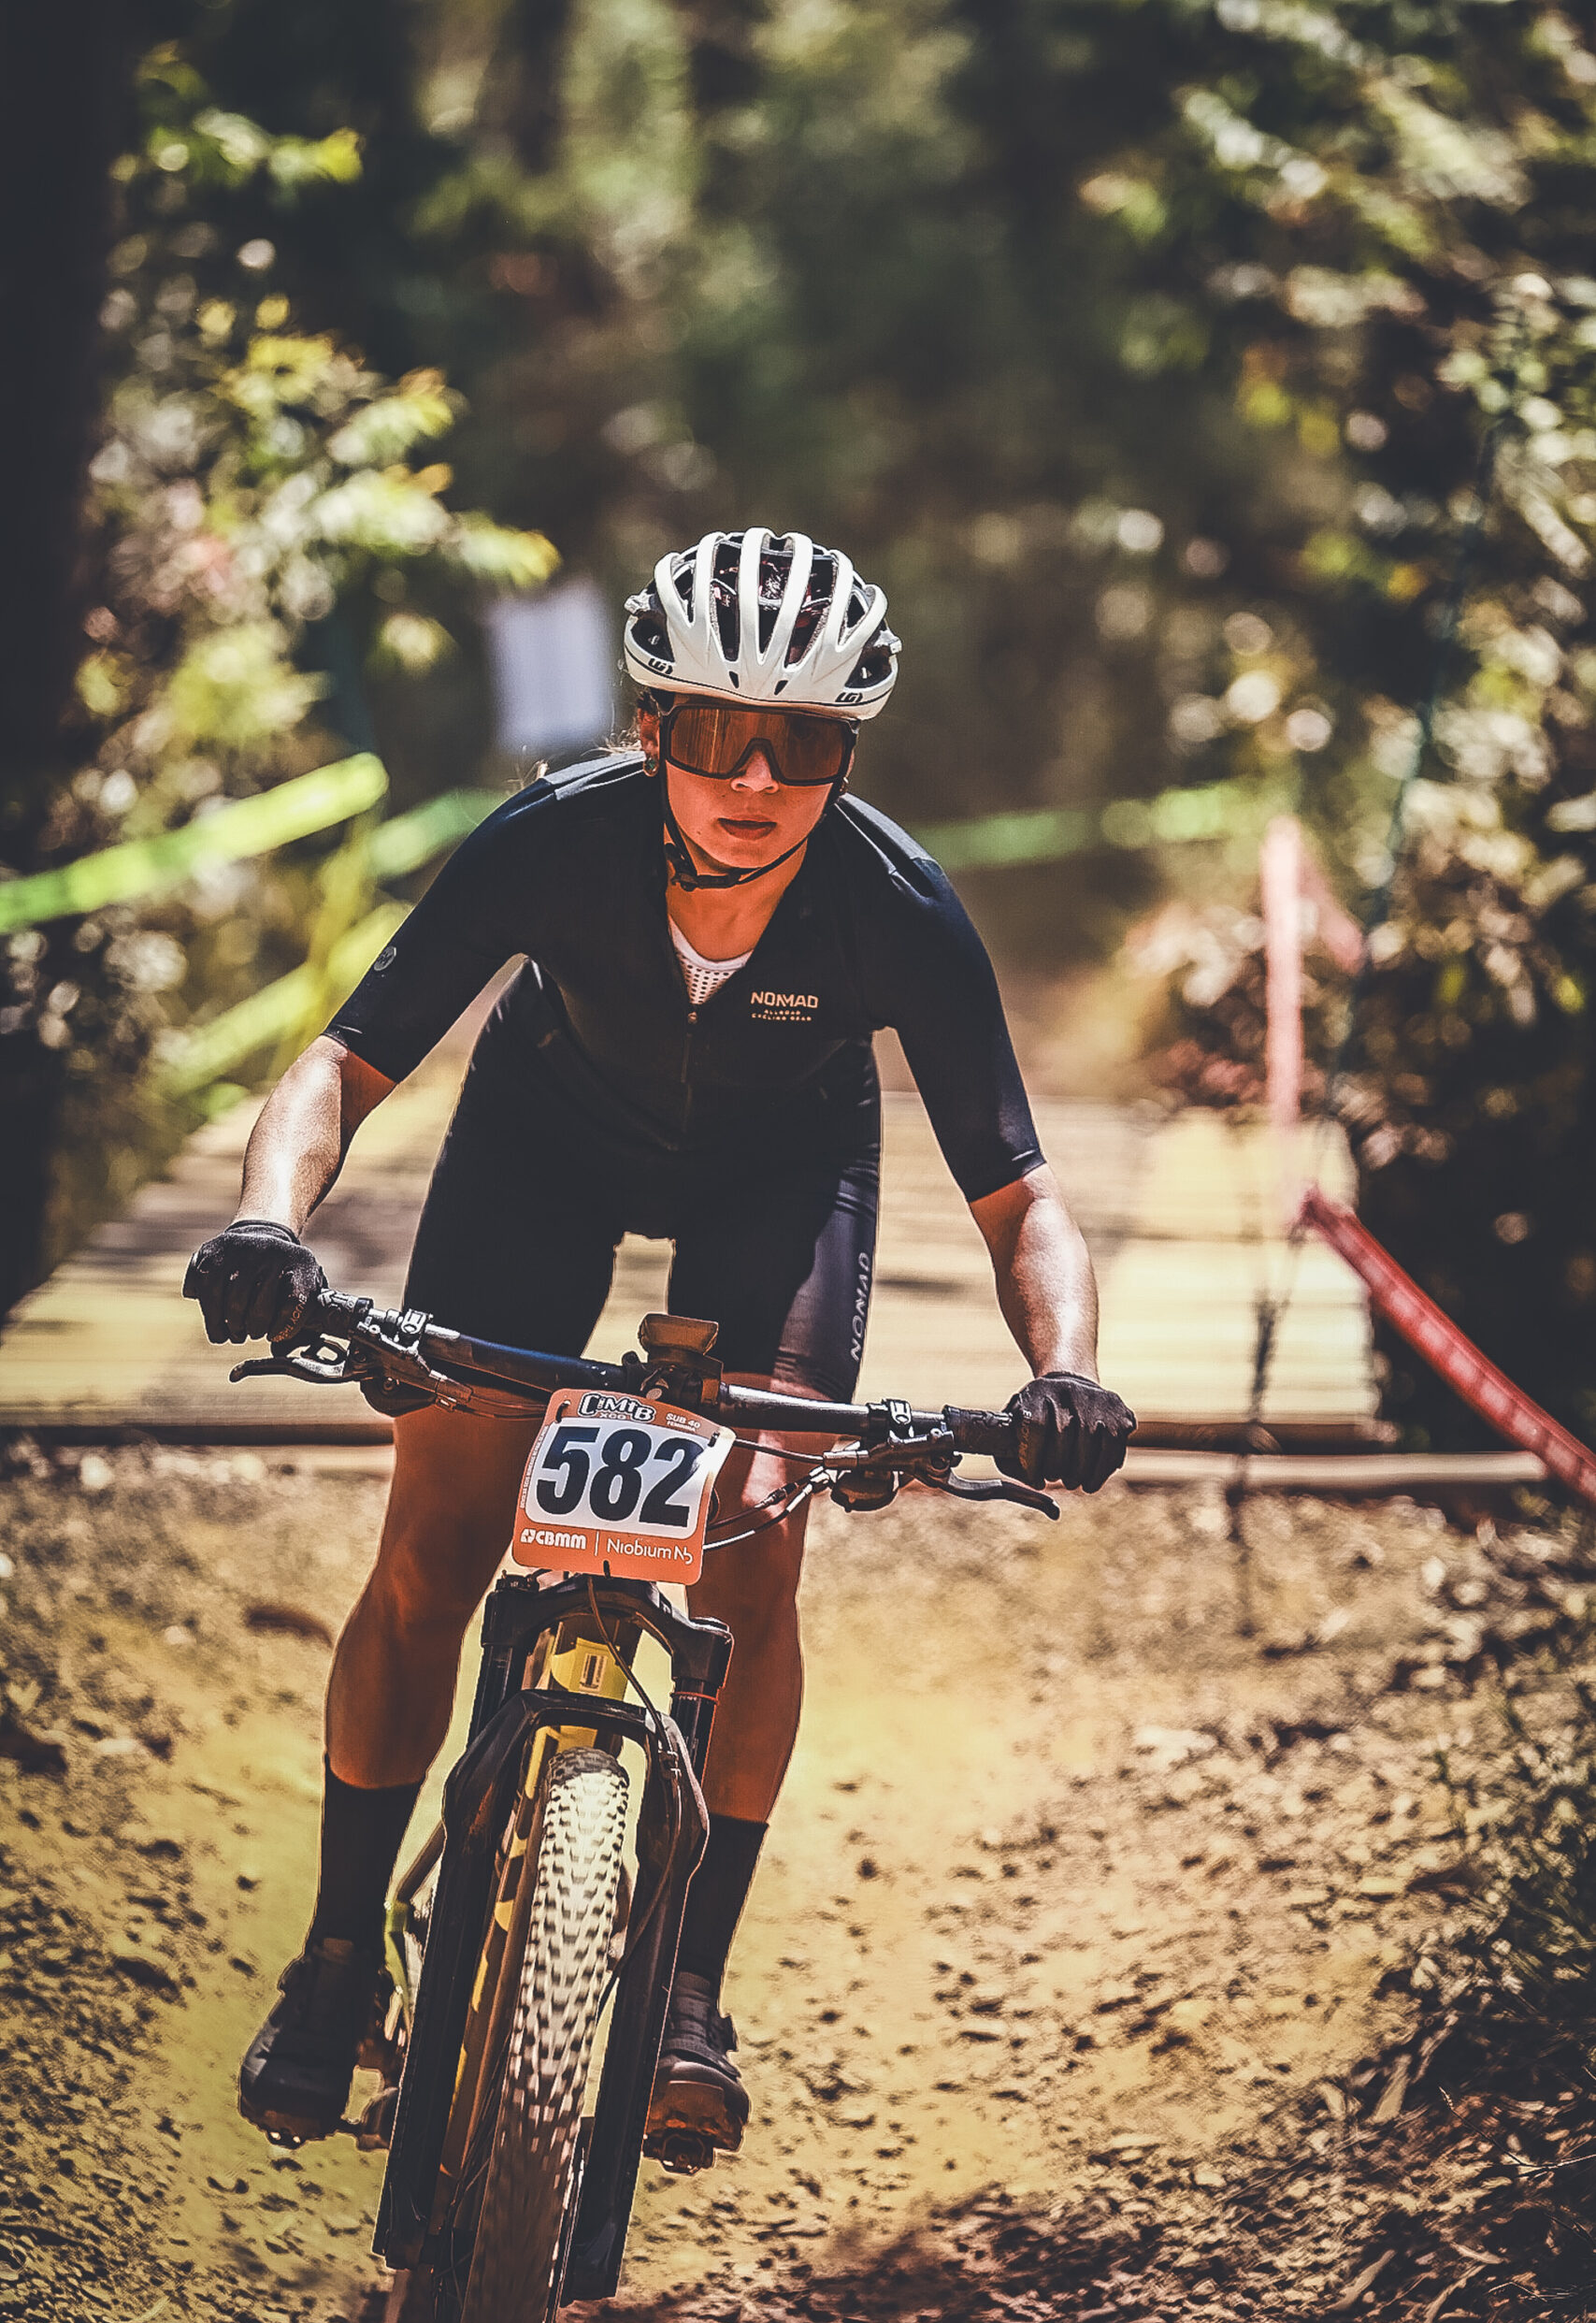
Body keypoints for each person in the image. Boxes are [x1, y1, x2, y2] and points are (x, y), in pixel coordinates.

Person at [184, 527, 1136, 2153]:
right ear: (650, 728)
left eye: (802, 743)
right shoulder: (555, 839)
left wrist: (1067, 1373)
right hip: (541, 1148)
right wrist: (271, 1224)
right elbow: (343, 1061)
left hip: (784, 1175)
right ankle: (338, 1958)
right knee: (437, 1542)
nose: (754, 779)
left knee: (754, 1547)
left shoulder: (896, 907)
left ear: (849, 753)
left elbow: (1020, 1194)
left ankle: (688, 1988)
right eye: (714, 731)